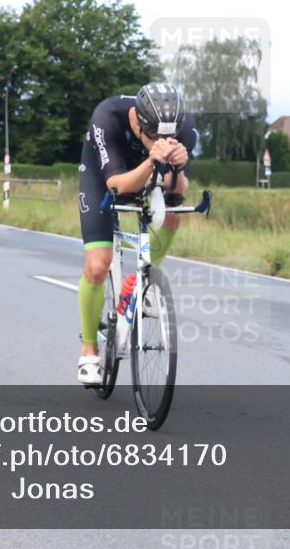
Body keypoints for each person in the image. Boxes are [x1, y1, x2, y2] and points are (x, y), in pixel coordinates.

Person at [76, 82, 197, 385]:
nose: (162, 142)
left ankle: (144, 280)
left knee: (173, 214)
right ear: (137, 122)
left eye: (168, 138)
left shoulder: (184, 128)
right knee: (98, 265)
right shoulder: (108, 117)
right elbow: (117, 186)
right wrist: (153, 159)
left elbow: (178, 190)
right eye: (154, 137)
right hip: (104, 176)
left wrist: (178, 168)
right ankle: (89, 350)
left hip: (148, 173)